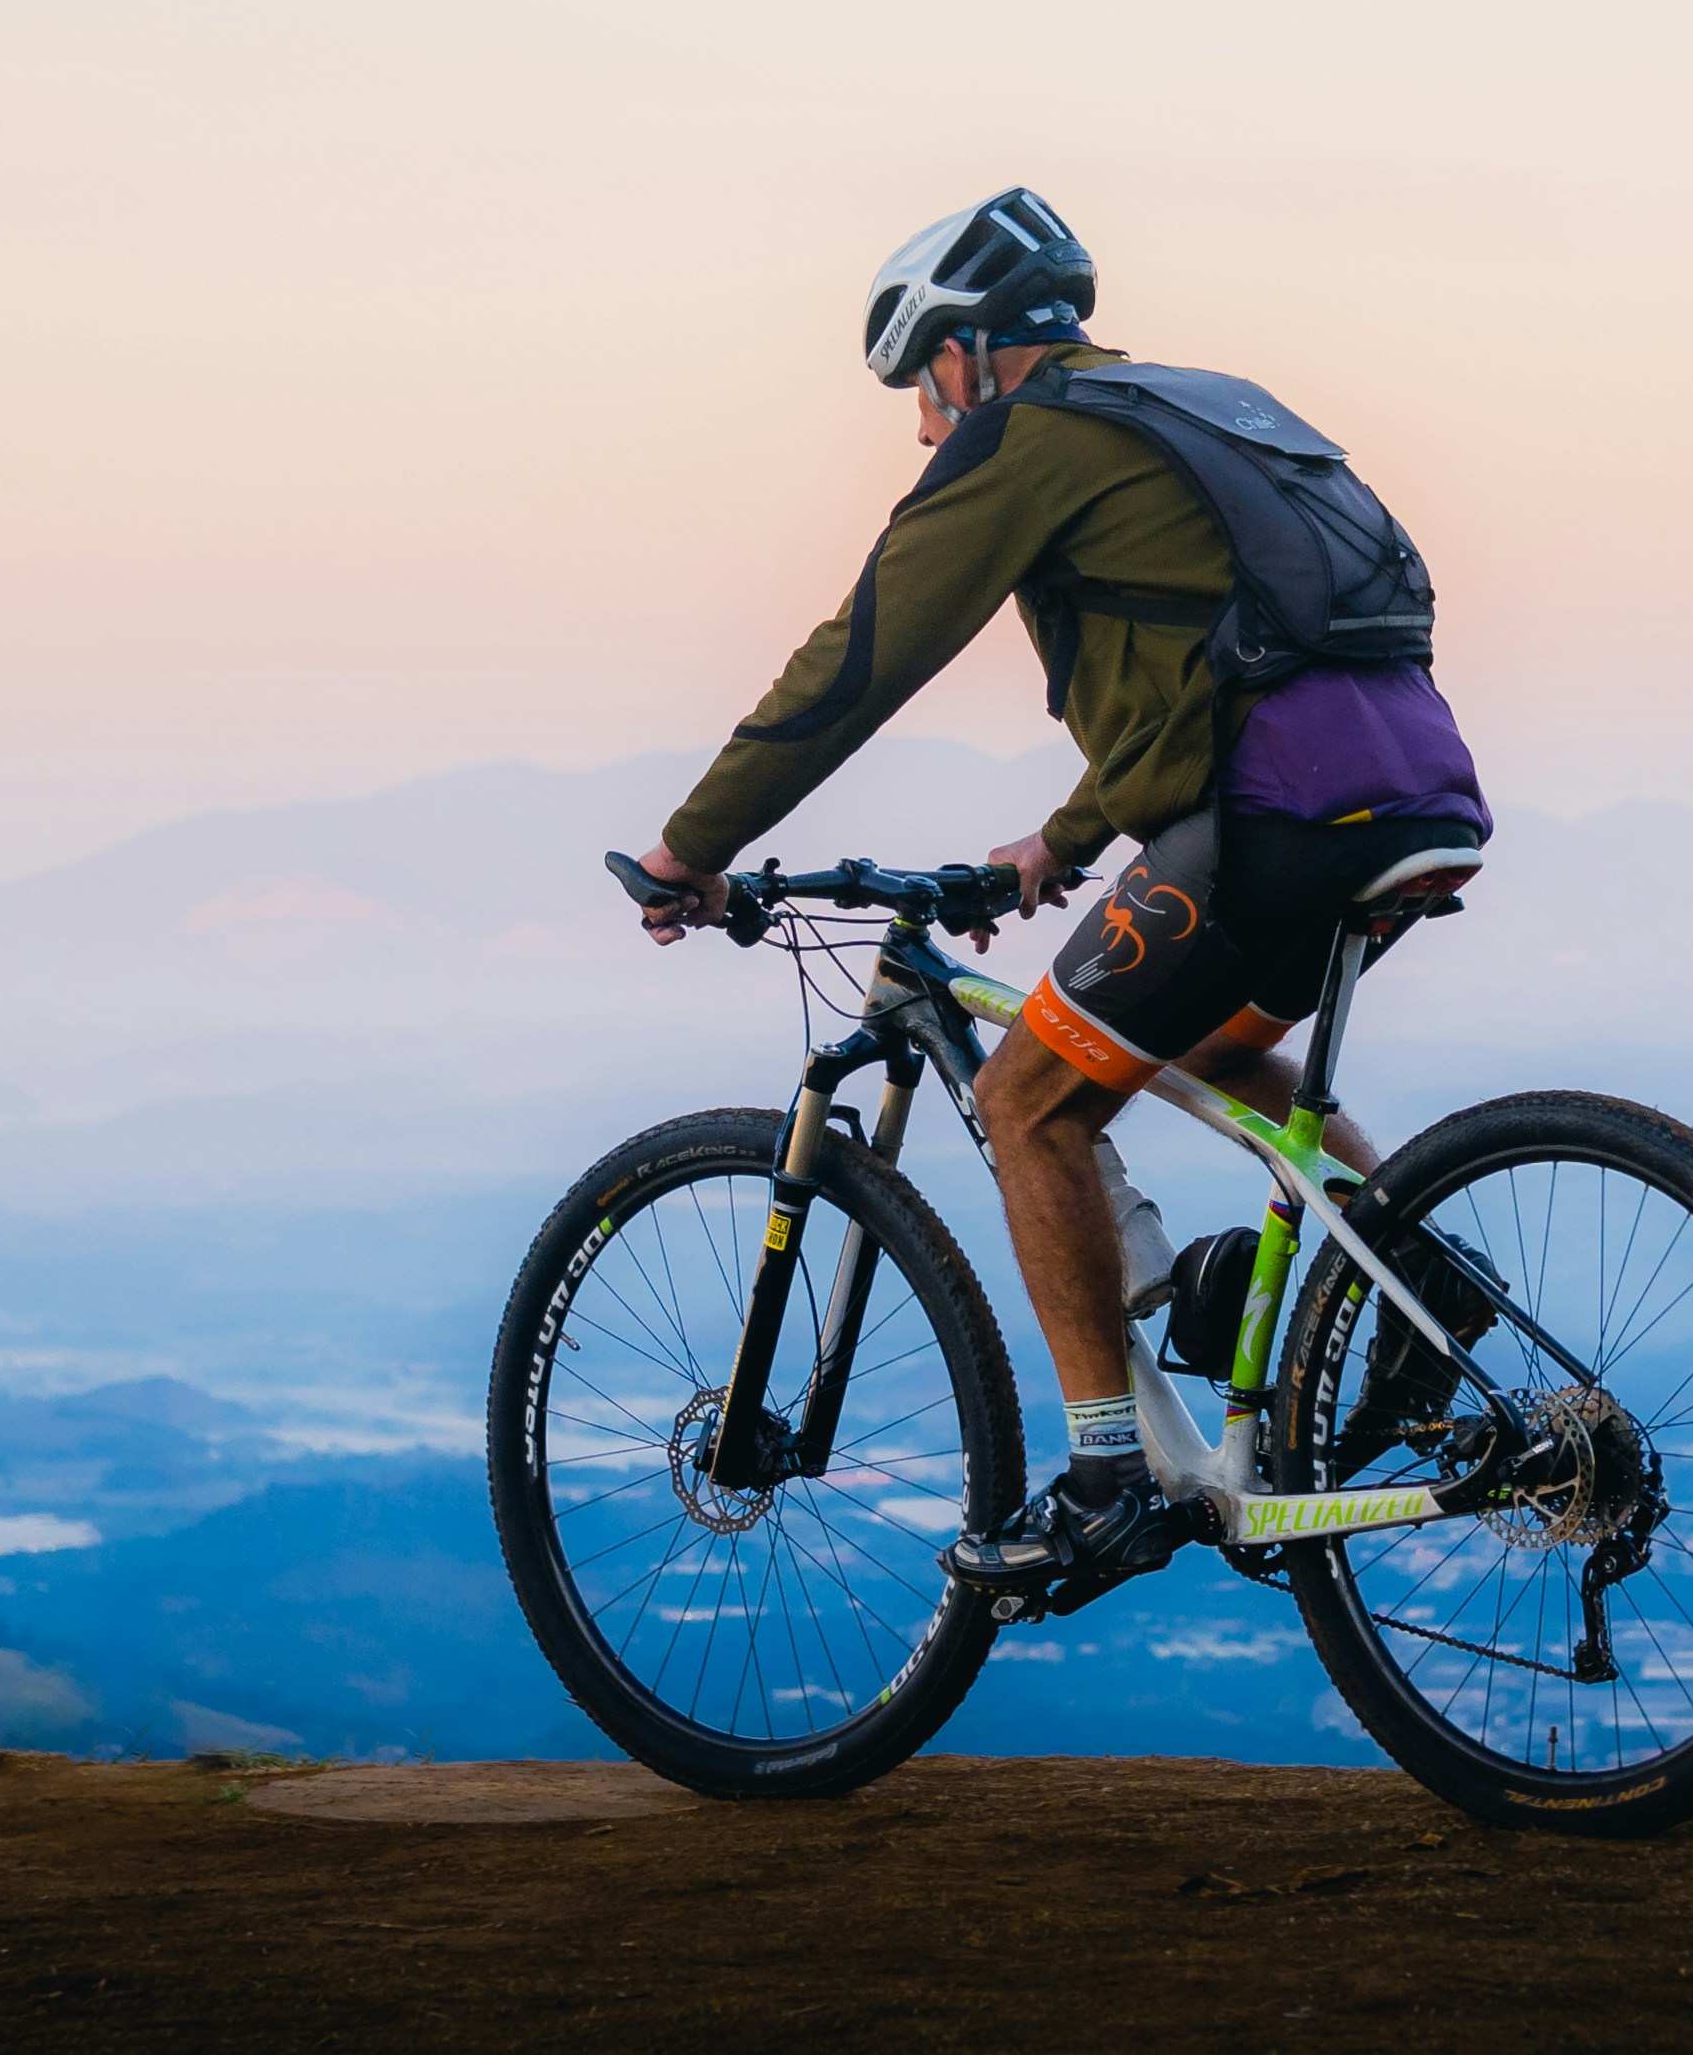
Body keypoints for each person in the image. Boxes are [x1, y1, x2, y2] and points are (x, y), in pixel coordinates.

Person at [623, 188, 1489, 1605]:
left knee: (1029, 1097)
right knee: (1206, 1042)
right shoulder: (1194, 407)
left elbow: (859, 662)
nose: (919, 422)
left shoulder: (1024, 438)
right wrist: (1066, 836)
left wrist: (686, 846)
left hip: (1266, 817)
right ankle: (1412, 1274)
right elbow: (1222, 667)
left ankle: (1105, 1481)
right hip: (1401, 789)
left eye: (919, 381)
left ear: (965, 352)